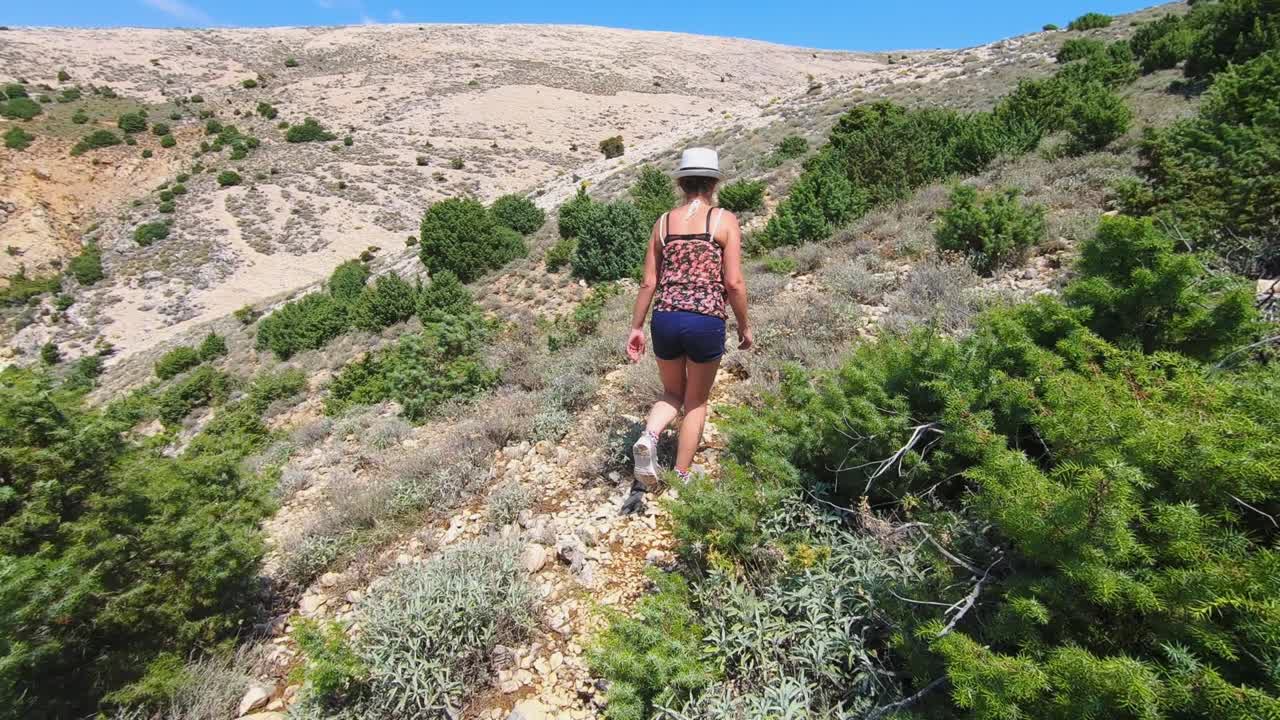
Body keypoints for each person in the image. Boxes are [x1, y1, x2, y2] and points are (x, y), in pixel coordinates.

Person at [621, 147, 751, 513]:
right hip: (706, 319)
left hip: (665, 318)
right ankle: (681, 473)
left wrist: (636, 327)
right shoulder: (724, 220)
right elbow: (735, 282)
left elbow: (648, 282)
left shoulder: (662, 223)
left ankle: (649, 436)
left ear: (681, 183)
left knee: (671, 391)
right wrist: (744, 326)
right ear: (714, 183)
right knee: (696, 400)